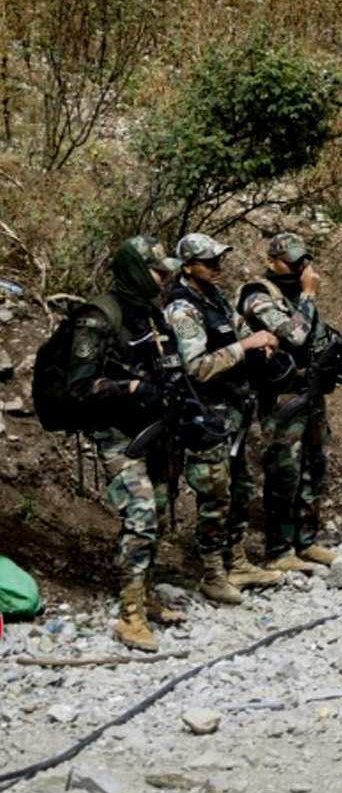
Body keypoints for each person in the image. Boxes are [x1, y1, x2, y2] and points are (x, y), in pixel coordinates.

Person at [70, 237, 194, 650]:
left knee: (158, 515)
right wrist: (132, 387)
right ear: (136, 271)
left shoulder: (153, 316)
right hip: (119, 436)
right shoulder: (97, 317)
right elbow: (81, 387)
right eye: (158, 272)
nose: (165, 279)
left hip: (156, 431)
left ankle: (145, 594)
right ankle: (130, 616)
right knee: (140, 519)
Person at [165, 233, 285, 602]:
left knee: (241, 489)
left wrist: (262, 341)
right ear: (188, 268)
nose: (218, 266)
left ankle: (237, 561)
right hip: (205, 417)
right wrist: (245, 346)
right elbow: (197, 366)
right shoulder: (182, 310)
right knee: (214, 497)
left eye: (219, 259)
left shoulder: (214, 297)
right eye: (209, 262)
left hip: (232, 413)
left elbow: (241, 328)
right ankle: (212, 573)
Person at [238, 233, 335, 572]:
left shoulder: (296, 295)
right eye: (291, 262)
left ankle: (306, 541)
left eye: (302, 261)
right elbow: (294, 335)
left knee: (315, 465)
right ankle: (278, 550)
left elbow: (317, 337)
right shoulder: (257, 294)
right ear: (271, 262)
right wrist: (308, 294)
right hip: (281, 395)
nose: (299, 268)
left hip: (311, 390)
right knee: (285, 471)